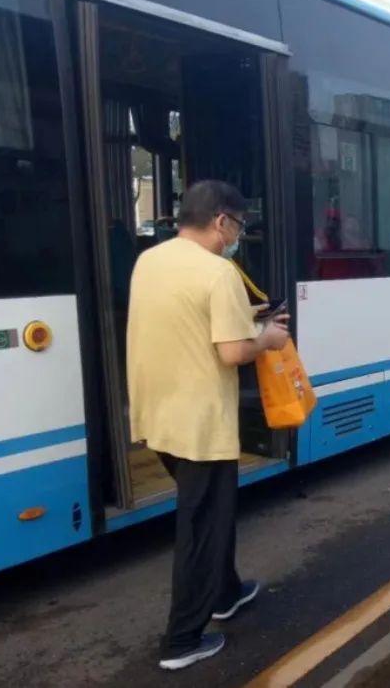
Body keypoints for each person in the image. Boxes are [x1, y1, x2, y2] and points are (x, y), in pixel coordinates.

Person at [127, 180, 291, 671]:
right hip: (199, 423)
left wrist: (248, 317)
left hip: (157, 413)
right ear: (222, 221)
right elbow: (233, 351)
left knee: (210, 514)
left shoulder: (150, 260)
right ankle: (182, 640)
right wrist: (267, 337)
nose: (238, 236)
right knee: (201, 525)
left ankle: (225, 592)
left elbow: (186, 317)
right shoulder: (218, 272)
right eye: (238, 226)